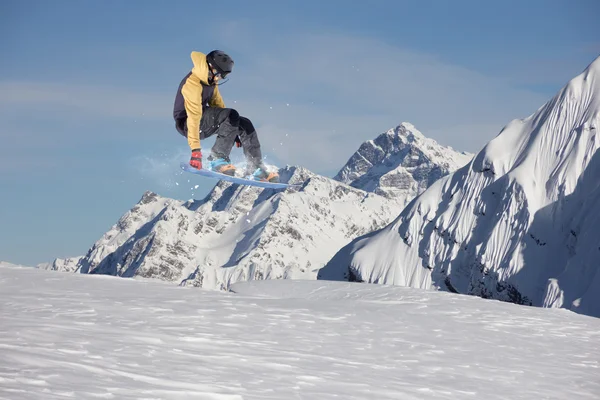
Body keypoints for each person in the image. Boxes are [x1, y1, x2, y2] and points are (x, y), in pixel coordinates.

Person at [173, 50, 279, 183]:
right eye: (219, 74)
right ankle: (217, 159)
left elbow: (218, 105)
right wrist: (195, 150)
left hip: (203, 118)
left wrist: (232, 127)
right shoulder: (192, 84)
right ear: (211, 68)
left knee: (244, 123)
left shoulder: (209, 80)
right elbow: (194, 116)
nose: (219, 78)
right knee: (231, 114)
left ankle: (255, 167)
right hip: (188, 123)